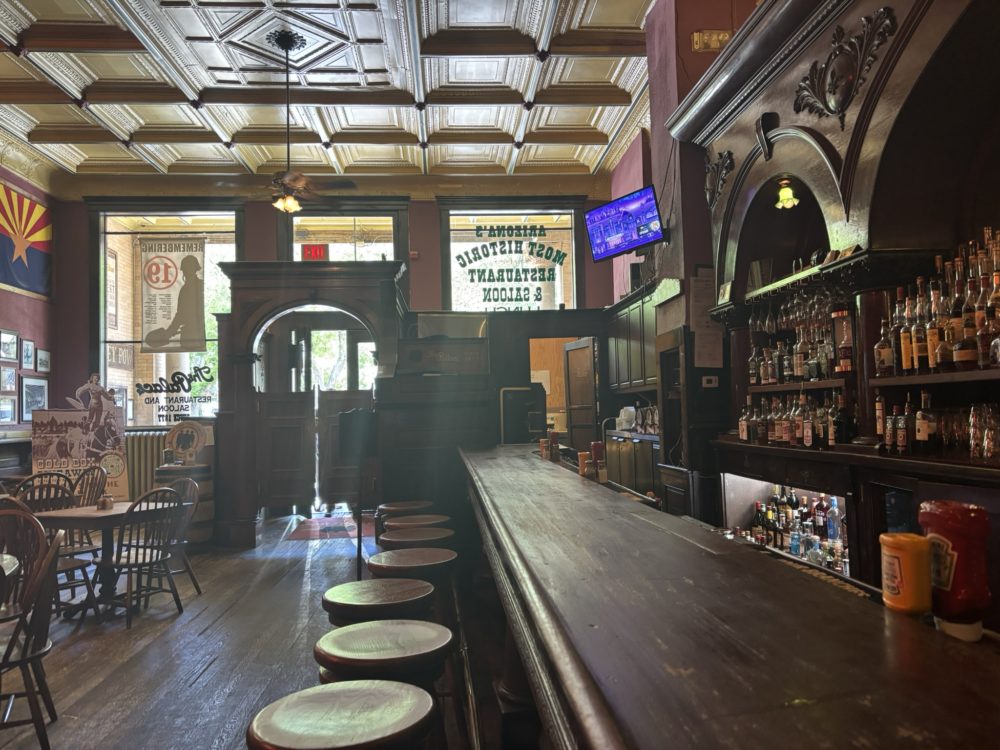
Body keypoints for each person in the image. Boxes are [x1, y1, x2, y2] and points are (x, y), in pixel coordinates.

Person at [155, 254, 204, 349]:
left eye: (186, 270)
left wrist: (169, 332)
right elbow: (180, 314)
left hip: (190, 335)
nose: (186, 273)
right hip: (195, 334)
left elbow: (180, 315)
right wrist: (170, 332)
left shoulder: (186, 290)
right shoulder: (198, 286)